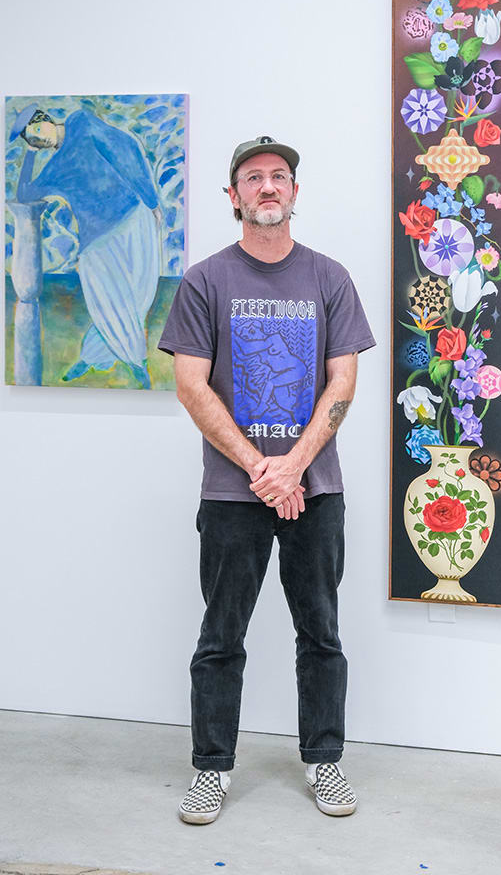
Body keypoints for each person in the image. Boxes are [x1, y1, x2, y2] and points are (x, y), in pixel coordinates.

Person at [158, 136, 375, 824]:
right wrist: (260, 468)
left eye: (278, 176)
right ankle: (210, 770)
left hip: (316, 487)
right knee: (220, 637)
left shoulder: (328, 277)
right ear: (233, 197)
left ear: (294, 192)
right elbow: (191, 386)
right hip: (232, 494)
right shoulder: (205, 280)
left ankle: (324, 762)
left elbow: (343, 380)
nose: (267, 186)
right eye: (252, 178)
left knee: (321, 633)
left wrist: (294, 465)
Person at [10, 103, 162, 388]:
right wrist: (30, 155)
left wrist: (152, 201)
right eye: (32, 140)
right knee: (105, 301)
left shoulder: (83, 124)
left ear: (44, 119)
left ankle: (93, 356)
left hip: (133, 216)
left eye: (36, 131)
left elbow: (127, 151)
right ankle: (136, 360)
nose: (38, 140)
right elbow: (25, 192)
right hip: (95, 238)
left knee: (138, 295)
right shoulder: (54, 168)